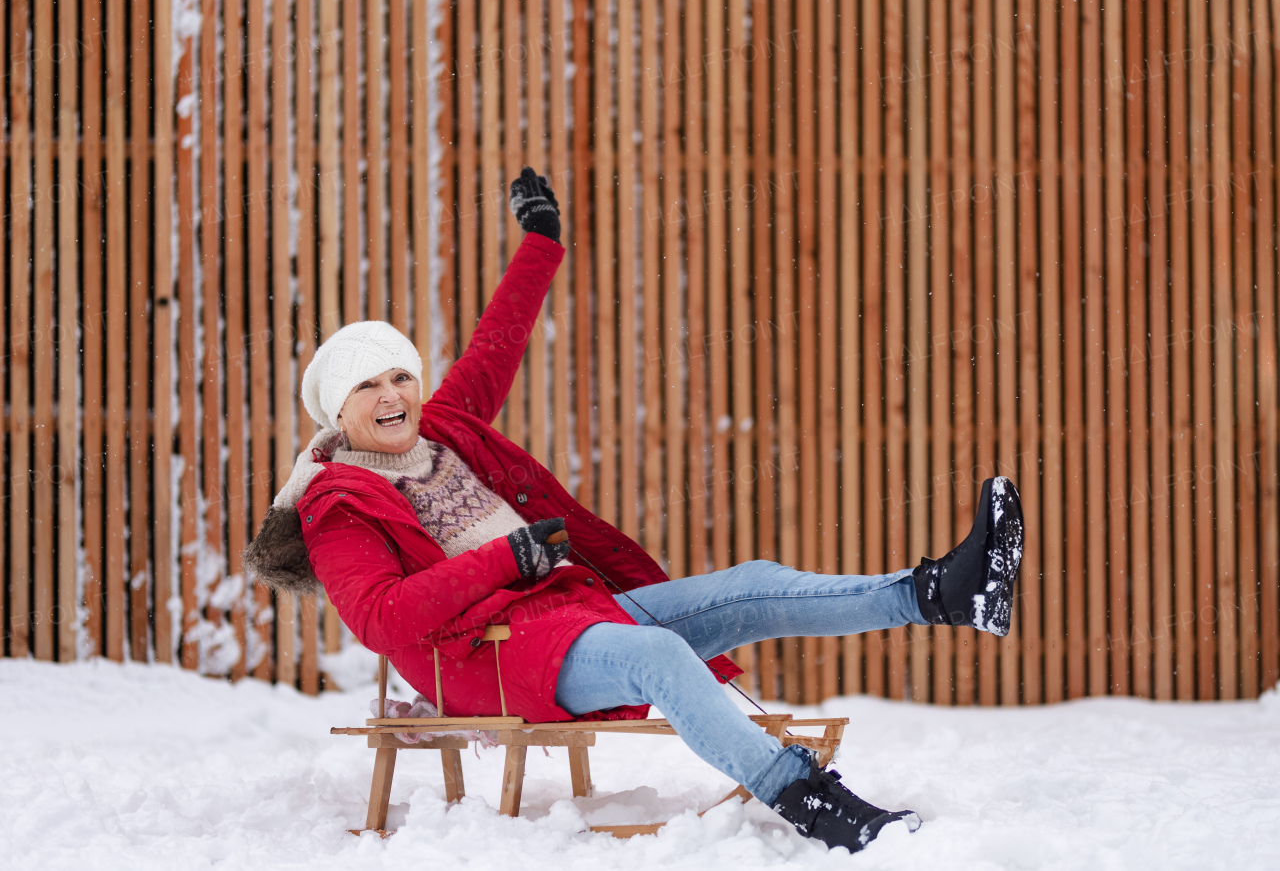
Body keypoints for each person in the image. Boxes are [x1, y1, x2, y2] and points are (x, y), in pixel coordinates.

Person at [245, 167, 1025, 853]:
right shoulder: (338, 502)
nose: (391, 395)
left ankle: (942, 593)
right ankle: (815, 804)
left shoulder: (444, 428)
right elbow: (385, 616)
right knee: (659, 656)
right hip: (488, 658)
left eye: (399, 375)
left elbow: (498, 341)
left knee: (750, 586)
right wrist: (507, 559)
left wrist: (541, 240)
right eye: (367, 386)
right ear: (335, 411)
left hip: (565, 612)